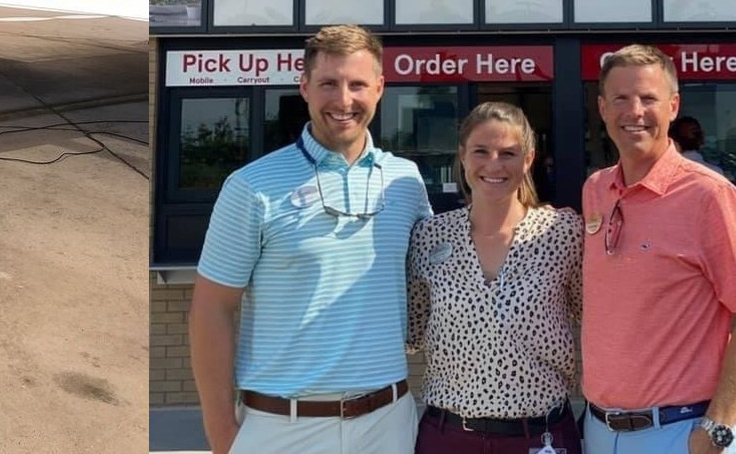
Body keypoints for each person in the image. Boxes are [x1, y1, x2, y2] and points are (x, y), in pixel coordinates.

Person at [189, 24, 432, 454]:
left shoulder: (405, 181)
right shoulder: (251, 186)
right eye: (328, 84)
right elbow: (212, 307)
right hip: (282, 427)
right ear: (304, 87)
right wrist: (221, 433)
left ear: (379, 88)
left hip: (388, 424)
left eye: (357, 84)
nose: (343, 100)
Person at [582, 45, 736, 454]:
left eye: (648, 98)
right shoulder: (596, 189)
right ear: (603, 108)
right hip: (598, 428)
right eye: (620, 98)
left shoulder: (710, 196)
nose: (634, 111)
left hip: (679, 433)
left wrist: (718, 429)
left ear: (673, 106)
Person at [408, 102, 582, 454]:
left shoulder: (563, 233)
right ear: (462, 156)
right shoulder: (429, 237)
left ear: (529, 159)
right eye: (481, 151)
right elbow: (412, 332)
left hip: (540, 436)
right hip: (449, 436)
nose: (494, 165)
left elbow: (595, 321)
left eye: (508, 153)